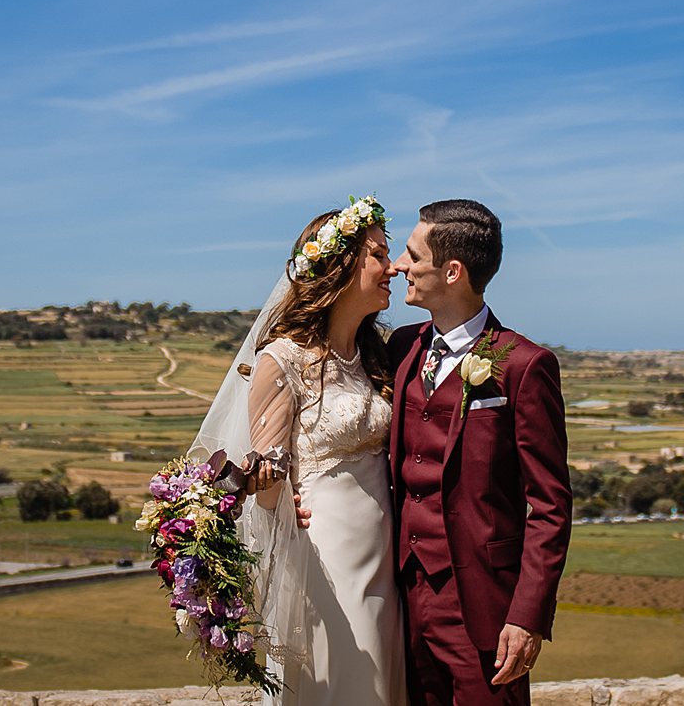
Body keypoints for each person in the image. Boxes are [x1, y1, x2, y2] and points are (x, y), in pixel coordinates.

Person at [192, 198, 406, 706]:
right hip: (326, 552)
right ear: (341, 264)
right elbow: (267, 487)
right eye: (379, 254)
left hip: (385, 548)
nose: (392, 267)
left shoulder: (378, 353)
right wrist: (265, 485)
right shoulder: (281, 359)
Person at [388, 198, 570, 706]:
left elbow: (551, 505)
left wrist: (527, 614)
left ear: (452, 271)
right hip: (400, 594)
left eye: (411, 255)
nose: (401, 266)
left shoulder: (524, 365)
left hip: (484, 605)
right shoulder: (400, 346)